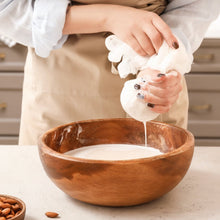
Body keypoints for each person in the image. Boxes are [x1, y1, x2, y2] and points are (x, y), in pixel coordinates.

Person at [0, 0, 219, 145]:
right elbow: (8, 10)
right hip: (58, 91)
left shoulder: (157, 69)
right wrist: (108, 17)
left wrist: (161, 64)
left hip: (152, 80)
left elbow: (196, 6)